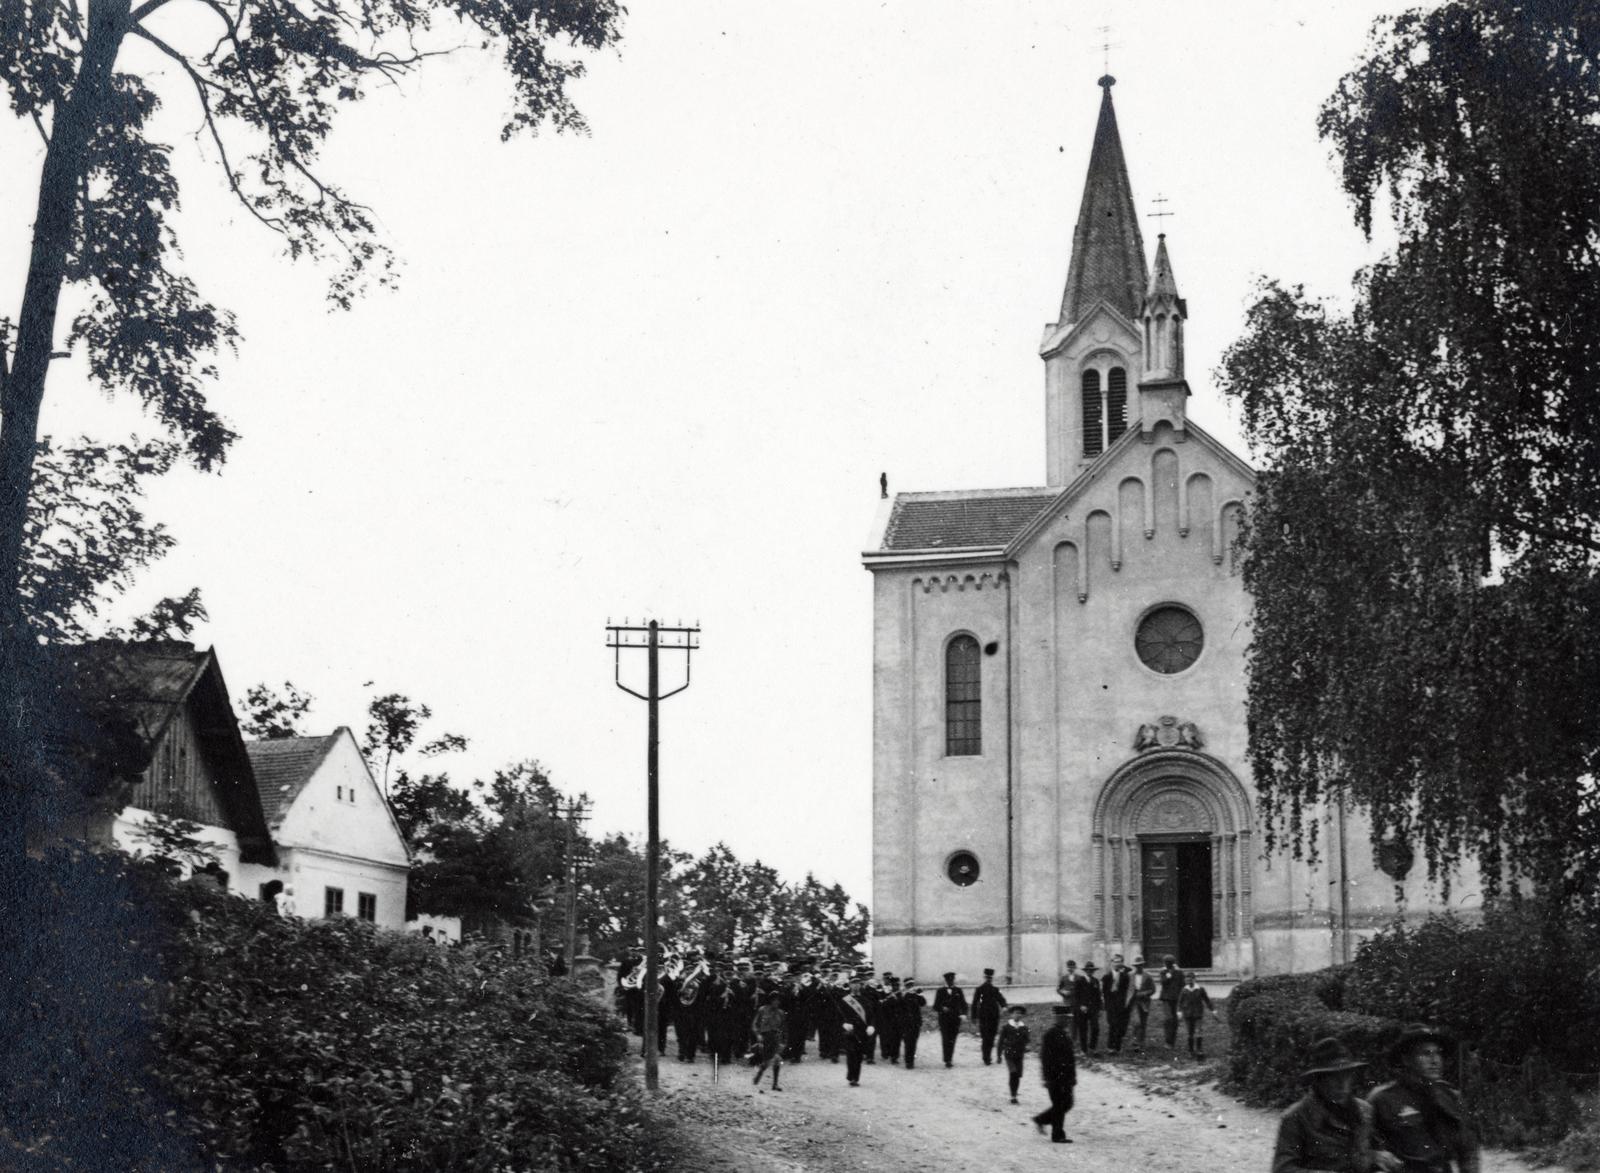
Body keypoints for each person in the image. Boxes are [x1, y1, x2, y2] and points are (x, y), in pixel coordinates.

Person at [1272, 1037, 1403, 1173]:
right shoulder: (1296, 1117)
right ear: (1318, 1080)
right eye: (1334, 1077)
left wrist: (1376, 1157)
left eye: (1347, 1075)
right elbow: (1282, 1169)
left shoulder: (1364, 1110)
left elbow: (1369, 1151)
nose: (1342, 1084)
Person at [1368, 1027, 1481, 1173]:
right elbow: (1361, 1147)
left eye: (1438, 1053)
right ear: (1406, 1060)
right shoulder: (1382, 1099)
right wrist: (1374, 1155)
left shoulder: (1450, 1096)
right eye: (1426, 1053)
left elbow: (1468, 1149)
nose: (1435, 1061)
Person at [1031, 1005, 1077, 1143]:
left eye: (1069, 1019)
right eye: (1066, 1018)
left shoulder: (1065, 1034)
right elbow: (1045, 1058)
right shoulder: (1050, 1035)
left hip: (1066, 1077)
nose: (1068, 1021)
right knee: (1059, 1105)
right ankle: (1058, 1135)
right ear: (1058, 1018)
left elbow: (1070, 1059)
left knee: (1067, 1104)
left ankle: (1041, 1119)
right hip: (1055, 1077)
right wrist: (1047, 1077)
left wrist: (1073, 1076)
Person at [838, 976, 877, 1087]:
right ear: (850, 985)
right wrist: (844, 1024)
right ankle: (852, 1078)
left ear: (861, 985)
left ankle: (856, 1077)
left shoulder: (866, 1000)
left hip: (862, 1031)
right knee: (851, 1053)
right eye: (853, 983)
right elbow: (840, 1015)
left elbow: (871, 1015)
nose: (856, 985)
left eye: (858, 983)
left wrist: (871, 1026)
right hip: (850, 1030)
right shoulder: (845, 1000)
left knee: (859, 1055)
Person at [1176, 970, 1220, 1056]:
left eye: (1191, 980)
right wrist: (1179, 1012)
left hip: (1198, 1014)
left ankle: (1199, 1049)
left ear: (1194, 979)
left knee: (1199, 1030)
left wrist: (1213, 1010)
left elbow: (1207, 1000)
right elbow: (1180, 1002)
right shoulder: (1184, 990)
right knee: (1190, 1032)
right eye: (1187, 980)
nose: (1189, 982)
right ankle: (1191, 1050)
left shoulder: (1200, 989)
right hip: (1188, 1014)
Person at [751, 992, 786, 1092]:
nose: (777, 1002)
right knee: (767, 1061)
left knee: (777, 1060)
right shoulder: (762, 1010)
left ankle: (775, 1084)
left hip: (776, 1038)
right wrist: (758, 1034)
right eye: (775, 1000)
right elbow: (754, 1024)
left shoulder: (781, 1013)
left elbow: (784, 1029)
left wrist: (783, 1042)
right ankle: (759, 1073)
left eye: (778, 1000)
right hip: (765, 1038)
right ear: (770, 1000)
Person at [972, 967, 1008, 1065]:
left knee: (991, 1037)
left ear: (992, 978)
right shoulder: (979, 990)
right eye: (987, 978)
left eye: (990, 978)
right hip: (984, 1017)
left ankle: (988, 1056)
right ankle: (986, 1057)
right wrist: (974, 1017)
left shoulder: (995, 989)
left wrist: (1004, 1006)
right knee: (985, 1037)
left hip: (994, 1017)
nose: (989, 979)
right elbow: (975, 1003)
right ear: (985, 977)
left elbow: (1001, 999)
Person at [933, 971, 968, 1067]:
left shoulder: (958, 990)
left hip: (955, 1019)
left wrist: (964, 1014)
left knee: (952, 1039)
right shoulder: (940, 991)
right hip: (944, 1019)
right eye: (949, 980)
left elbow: (964, 1004)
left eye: (952, 980)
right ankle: (947, 1059)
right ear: (946, 980)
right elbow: (935, 1006)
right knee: (945, 1039)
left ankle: (950, 1059)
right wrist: (942, 1008)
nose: (950, 982)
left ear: (954, 980)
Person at [997, 1005, 1030, 1104]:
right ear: (1011, 1014)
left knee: (1018, 1075)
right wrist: (998, 1055)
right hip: (1009, 1054)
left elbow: (1027, 1039)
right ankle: (1013, 1095)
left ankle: (1015, 1093)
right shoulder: (1007, 1027)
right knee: (1013, 1072)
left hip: (1019, 1054)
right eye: (1016, 1013)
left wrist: (1027, 1046)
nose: (1018, 1015)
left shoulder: (1024, 1027)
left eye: (1020, 1013)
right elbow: (1001, 1041)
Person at [898, 977, 927, 1069]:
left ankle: (911, 1060)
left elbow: (923, 1003)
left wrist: (920, 994)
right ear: (906, 986)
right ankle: (908, 1061)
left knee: (913, 1041)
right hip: (906, 1022)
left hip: (915, 1022)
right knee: (908, 1041)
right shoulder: (903, 994)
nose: (910, 987)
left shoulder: (916, 995)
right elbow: (900, 1005)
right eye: (908, 985)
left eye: (911, 985)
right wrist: (906, 994)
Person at [1127, 956, 1156, 1051]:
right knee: (1136, 1022)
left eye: (1140, 965)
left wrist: (1143, 993)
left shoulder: (1147, 976)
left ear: (1143, 965)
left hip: (1144, 1002)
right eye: (1137, 965)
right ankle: (1135, 1041)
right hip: (1134, 1001)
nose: (1138, 967)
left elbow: (1153, 989)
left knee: (1143, 1023)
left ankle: (1141, 1043)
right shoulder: (1130, 975)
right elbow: (1127, 988)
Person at [1103, 954, 1131, 1051]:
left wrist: (1124, 1003)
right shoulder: (1106, 977)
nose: (1117, 964)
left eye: (1119, 962)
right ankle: (1110, 1046)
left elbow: (1125, 990)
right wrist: (1106, 1005)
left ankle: (1117, 1047)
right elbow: (1104, 992)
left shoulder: (1124, 976)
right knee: (1112, 1024)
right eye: (1115, 961)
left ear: (1122, 963)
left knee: (1119, 1025)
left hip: (1120, 1004)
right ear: (1112, 963)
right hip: (1111, 1004)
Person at [1158, 955, 1184, 1048]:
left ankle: (1172, 1041)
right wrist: (1169, 975)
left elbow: (1182, 985)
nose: (1167, 964)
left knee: (1175, 1020)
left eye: (1169, 963)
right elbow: (1163, 982)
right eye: (1166, 963)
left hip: (1176, 998)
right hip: (1166, 999)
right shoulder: (1163, 972)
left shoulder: (1179, 972)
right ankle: (1168, 1041)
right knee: (1168, 1019)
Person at [1078, 962, 1102, 1054]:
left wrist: (1099, 1009)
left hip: (1093, 1009)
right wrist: (1081, 1005)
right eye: (1088, 970)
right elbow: (1076, 996)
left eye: (1092, 970)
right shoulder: (1080, 981)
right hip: (1082, 1009)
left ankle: (1093, 1047)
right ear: (1085, 971)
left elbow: (1098, 996)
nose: (1090, 972)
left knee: (1095, 1028)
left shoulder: (1095, 981)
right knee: (1083, 1029)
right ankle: (1083, 1049)